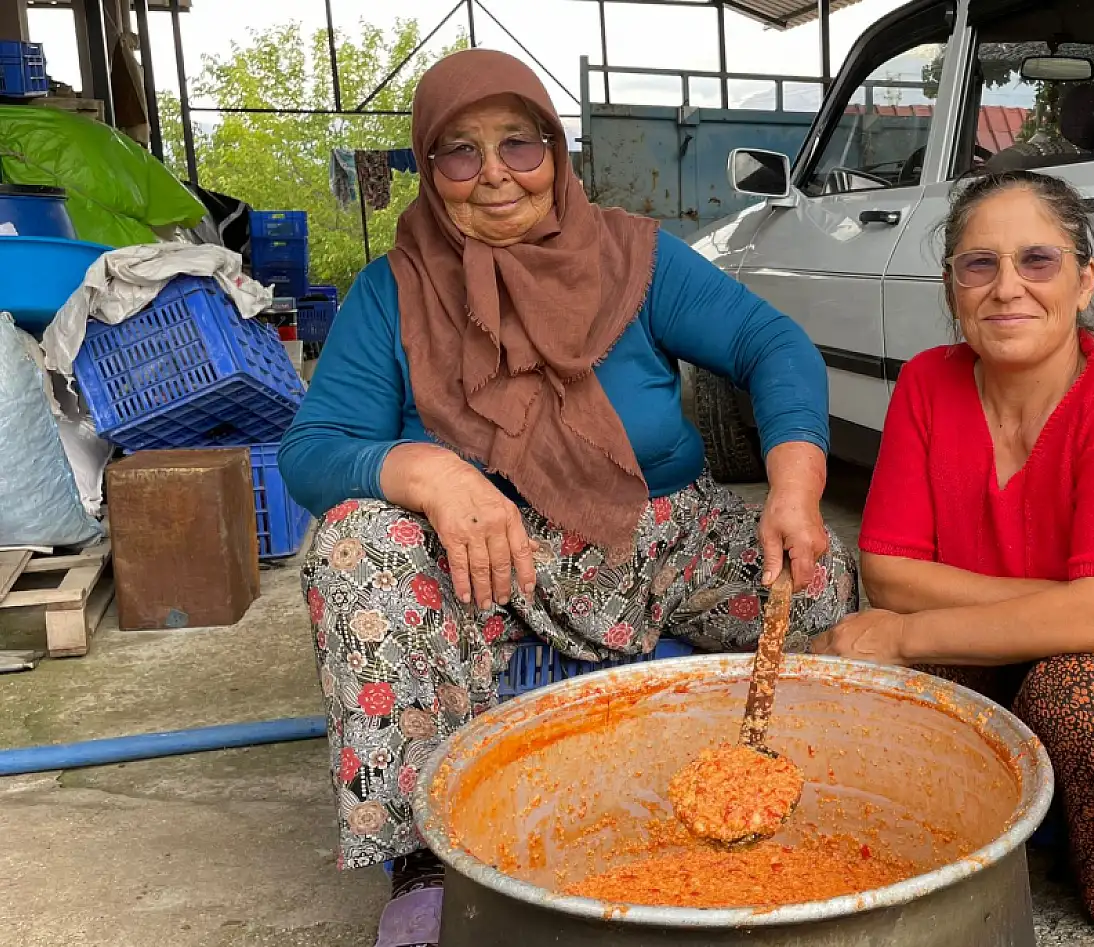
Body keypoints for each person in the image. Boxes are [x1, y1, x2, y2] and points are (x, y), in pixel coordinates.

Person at [277, 48, 855, 945]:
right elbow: (313, 449)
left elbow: (772, 345)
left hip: (659, 545)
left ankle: (756, 782)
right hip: (487, 569)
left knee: (819, 579)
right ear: (428, 167)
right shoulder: (393, 291)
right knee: (357, 548)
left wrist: (795, 482)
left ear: (555, 150)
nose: (495, 174)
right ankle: (425, 856)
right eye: (460, 151)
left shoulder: (634, 257)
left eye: (520, 143)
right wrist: (431, 472)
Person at [811, 169, 1094, 936]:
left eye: (1038, 260)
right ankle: (993, 832)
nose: (1007, 287)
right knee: (870, 688)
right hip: (1055, 638)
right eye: (979, 264)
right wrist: (1075, 605)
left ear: (1084, 281)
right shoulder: (928, 382)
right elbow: (890, 573)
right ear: (953, 286)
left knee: (1078, 697)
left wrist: (905, 633)